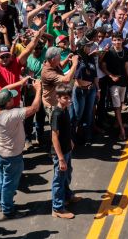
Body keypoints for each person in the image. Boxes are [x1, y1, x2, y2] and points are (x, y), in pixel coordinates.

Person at [0, 78, 42, 218]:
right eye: (11, 98)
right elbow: (34, 108)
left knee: (2, 179)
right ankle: (7, 209)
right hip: (11, 156)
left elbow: (3, 89)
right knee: (10, 183)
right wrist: (38, 90)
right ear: (7, 103)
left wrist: (20, 83)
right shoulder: (11, 115)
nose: (14, 99)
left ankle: (1, 204)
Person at [51, 86, 81, 220]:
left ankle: (67, 196)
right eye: (65, 98)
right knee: (59, 179)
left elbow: (65, 130)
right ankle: (57, 208)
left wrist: (70, 141)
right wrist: (61, 158)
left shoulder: (65, 109)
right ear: (58, 98)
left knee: (66, 175)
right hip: (61, 154)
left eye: (69, 97)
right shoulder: (57, 114)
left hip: (67, 149)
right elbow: (54, 137)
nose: (69, 100)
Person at [99, 32, 128, 140]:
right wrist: (111, 76)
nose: (117, 42)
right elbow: (102, 66)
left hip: (123, 81)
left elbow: (126, 65)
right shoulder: (109, 52)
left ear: (122, 40)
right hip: (113, 83)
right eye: (115, 40)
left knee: (120, 104)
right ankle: (122, 130)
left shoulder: (125, 50)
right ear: (112, 41)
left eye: (119, 40)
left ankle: (117, 122)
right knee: (117, 105)